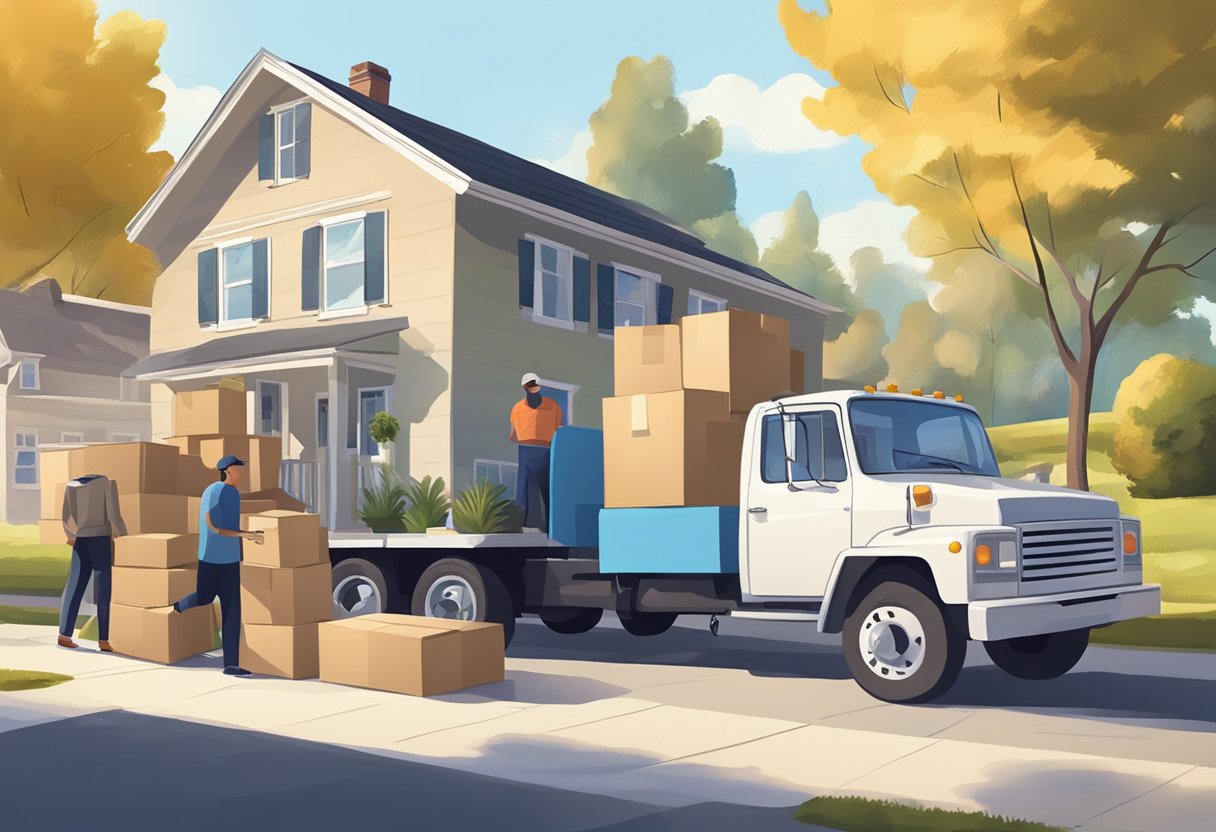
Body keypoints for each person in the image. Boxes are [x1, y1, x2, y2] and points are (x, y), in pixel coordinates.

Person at [172, 455, 263, 676]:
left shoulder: (234, 494)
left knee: (233, 612)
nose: (241, 474)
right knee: (204, 597)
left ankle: (231, 664)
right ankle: (180, 605)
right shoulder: (213, 491)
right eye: (237, 470)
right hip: (211, 558)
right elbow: (214, 527)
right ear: (227, 471)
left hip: (230, 560)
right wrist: (248, 535)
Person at [58, 474, 127, 651]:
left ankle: (64, 635)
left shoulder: (71, 486)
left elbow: (65, 517)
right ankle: (103, 640)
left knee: (74, 586)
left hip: (80, 540)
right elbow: (114, 516)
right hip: (100, 539)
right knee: (103, 589)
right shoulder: (106, 483)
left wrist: (71, 536)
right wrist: (126, 538)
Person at [508, 372, 563, 530]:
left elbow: (513, 434)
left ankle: (526, 526)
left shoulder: (519, 407)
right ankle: (546, 526)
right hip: (539, 450)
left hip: (533, 450)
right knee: (540, 491)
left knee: (527, 491)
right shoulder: (551, 405)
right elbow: (558, 429)